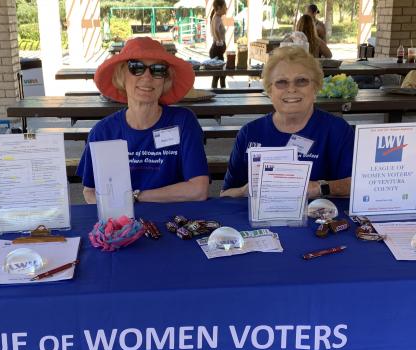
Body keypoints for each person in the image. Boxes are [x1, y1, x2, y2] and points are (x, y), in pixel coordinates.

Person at [77, 37, 209, 204]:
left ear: (165, 80)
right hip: (124, 225)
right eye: (136, 68)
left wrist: (135, 197)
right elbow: (90, 191)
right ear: (121, 76)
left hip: (175, 221)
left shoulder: (183, 122)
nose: (147, 77)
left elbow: (198, 190)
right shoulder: (103, 132)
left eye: (158, 69)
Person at [220, 46, 354, 199]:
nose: (291, 89)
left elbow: (356, 184)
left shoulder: (337, 130)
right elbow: (225, 194)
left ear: (316, 88)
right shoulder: (250, 133)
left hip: (321, 219)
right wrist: (245, 191)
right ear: (270, 91)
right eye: (282, 82)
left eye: (301, 81)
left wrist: (319, 187)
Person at [209, 0, 228, 89]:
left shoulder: (217, 17)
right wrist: (220, 41)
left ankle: (220, 93)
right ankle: (220, 94)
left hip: (217, 50)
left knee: (219, 75)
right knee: (219, 75)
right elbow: (216, 30)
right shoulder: (217, 18)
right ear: (219, 8)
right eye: (225, 6)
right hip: (217, 50)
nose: (226, 8)